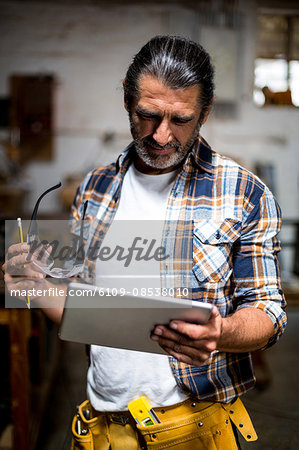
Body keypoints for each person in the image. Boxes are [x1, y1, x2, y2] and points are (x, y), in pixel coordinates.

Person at [4, 36, 286, 449]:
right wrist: (31, 286)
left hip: (192, 429)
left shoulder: (243, 192)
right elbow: (84, 311)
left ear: (205, 112)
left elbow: (269, 312)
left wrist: (220, 333)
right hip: (102, 424)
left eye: (182, 119)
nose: (161, 136)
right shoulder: (95, 188)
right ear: (126, 98)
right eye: (148, 115)